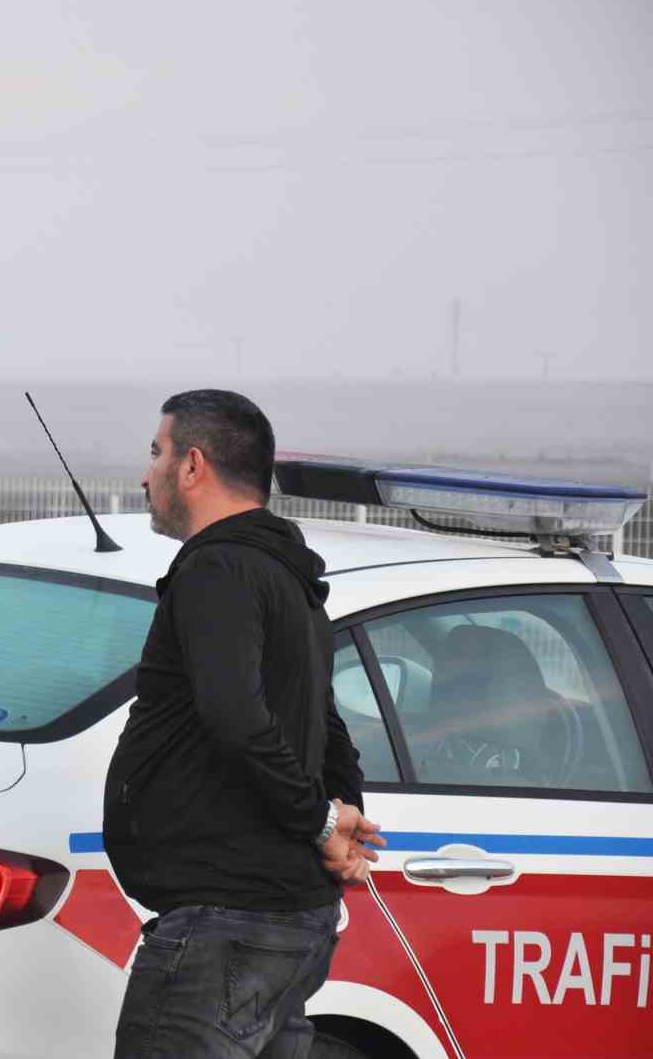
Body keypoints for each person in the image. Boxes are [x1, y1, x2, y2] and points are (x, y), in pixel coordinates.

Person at [103, 389, 385, 1059]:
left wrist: (320, 821)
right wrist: (341, 821)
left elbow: (235, 714)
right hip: (282, 919)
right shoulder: (285, 573)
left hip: (226, 927)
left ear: (193, 465)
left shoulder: (218, 568)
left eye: (157, 453)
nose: (146, 475)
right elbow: (324, 722)